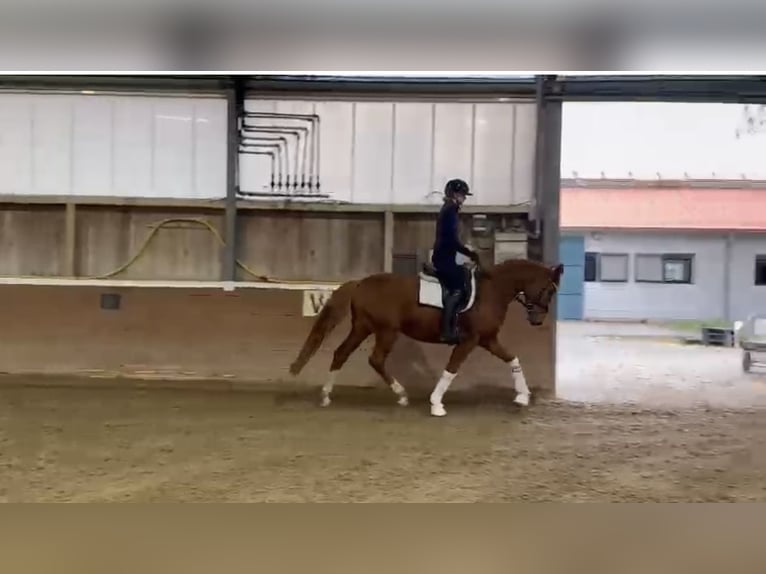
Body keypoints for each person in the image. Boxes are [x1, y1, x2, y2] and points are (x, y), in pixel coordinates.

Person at [430, 178, 479, 344]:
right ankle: (447, 331)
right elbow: (451, 240)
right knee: (459, 287)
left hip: (445, 256)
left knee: (464, 274)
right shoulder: (450, 211)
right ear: (453, 194)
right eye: (462, 195)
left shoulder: (450, 210)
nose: (464, 198)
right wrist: (469, 252)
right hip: (444, 259)